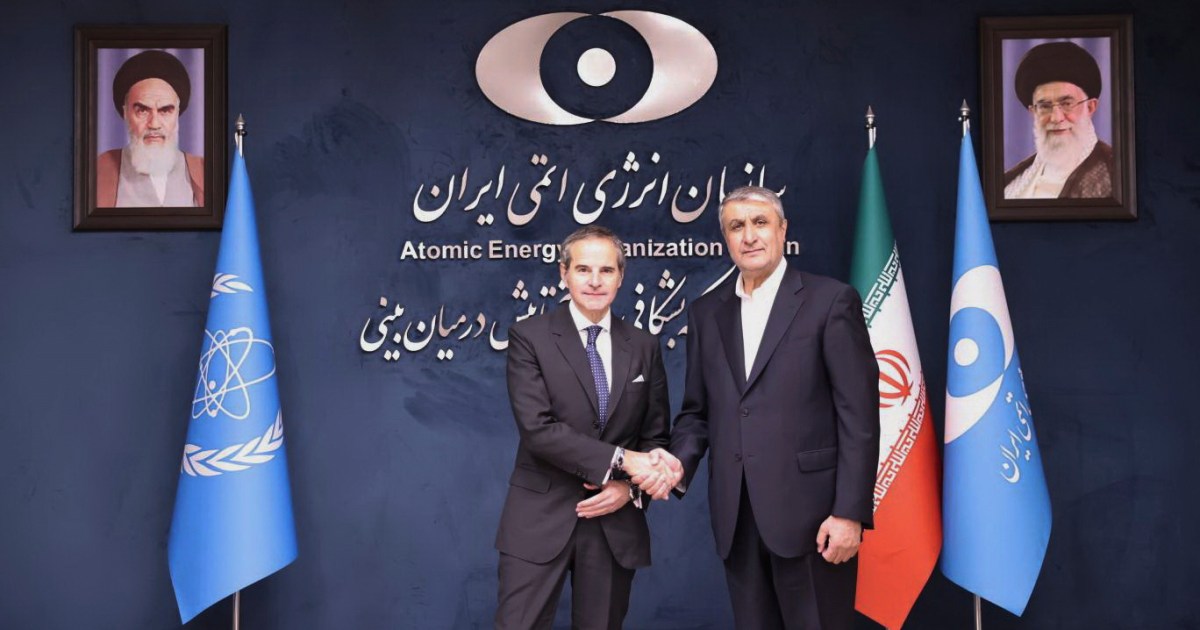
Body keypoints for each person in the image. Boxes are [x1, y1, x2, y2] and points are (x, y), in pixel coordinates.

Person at [642, 186, 879, 629]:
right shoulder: (706, 313)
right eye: (736, 226)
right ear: (726, 239)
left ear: (782, 230)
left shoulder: (830, 301)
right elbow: (697, 413)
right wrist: (676, 465)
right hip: (738, 521)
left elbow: (859, 417)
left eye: (760, 223)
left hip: (815, 520)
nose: (749, 236)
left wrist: (849, 512)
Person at [494, 226, 676, 630]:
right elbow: (538, 430)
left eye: (606, 270)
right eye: (583, 269)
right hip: (539, 519)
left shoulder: (644, 345)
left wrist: (629, 490)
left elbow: (655, 437)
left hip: (614, 525)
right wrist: (621, 460)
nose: (595, 281)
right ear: (564, 273)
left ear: (621, 276)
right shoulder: (529, 337)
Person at [1004, 41, 1114, 199]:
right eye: (1045, 106)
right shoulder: (1010, 183)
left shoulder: (1116, 173)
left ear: (1090, 107)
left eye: (1067, 104)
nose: (1056, 118)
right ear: (1033, 112)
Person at [97, 50, 204, 208]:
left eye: (165, 110)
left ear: (177, 113)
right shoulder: (99, 171)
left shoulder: (203, 172)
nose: (154, 124)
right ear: (126, 113)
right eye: (142, 110)